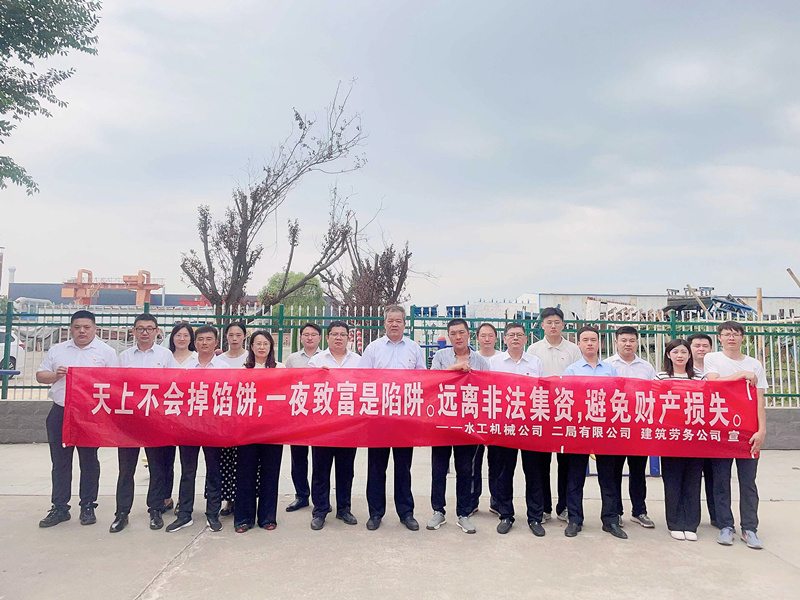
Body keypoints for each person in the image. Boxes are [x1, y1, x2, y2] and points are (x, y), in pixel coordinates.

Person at [36, 310, 118, 528]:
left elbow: (115, 382)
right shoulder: (58, 350)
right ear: (71, 329)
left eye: (87, 327)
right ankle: (60, 507)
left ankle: (88, 505)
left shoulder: (106, 352)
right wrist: (56, 375)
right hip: (61, 412)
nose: (82, 331)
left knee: (89, 461)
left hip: (90, 415)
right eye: (77, 327)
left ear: (95, 329)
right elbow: (40, 375)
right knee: (60, 462)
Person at [358, 305, 426, 531]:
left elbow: (423, 379)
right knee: (376, 467)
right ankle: (375, 513)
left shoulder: (414, 348)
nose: (394, 324)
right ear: (384, 323)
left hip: (405, 417)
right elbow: (362, 379)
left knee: (403, 467)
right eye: (390, 320)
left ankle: (406, 513)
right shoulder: (373, 348)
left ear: (405, 324)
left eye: (398, 320)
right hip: (378, 417)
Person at [111, 313, 179, 533]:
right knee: (126, 469)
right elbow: (115, 385)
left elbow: (173, 384)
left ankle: (155, 510)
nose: (145, 332)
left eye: (149, 328)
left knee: (157, 468)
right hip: (130, 420)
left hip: (155, 420)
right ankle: (122, 512)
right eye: (140, 328)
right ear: (133, 331)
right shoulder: (124, 357)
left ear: (157, 331)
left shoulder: (165, 355)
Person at [705, 321, 768, 550]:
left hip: (748, 432)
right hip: (721, 430)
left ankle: (749, 528)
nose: (731, 337)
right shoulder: (713, 358)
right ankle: (725, 525)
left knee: (748, 482)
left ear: (743, 338)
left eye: (736, 334)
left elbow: (760, 399)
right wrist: (741, 374)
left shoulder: (755, 364)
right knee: (721, 481)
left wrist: (761, 430)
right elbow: (713, 382)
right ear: (720, 338)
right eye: (727, 334)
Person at [427, 319, 489, 534]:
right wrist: (454, 369)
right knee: (438, 469)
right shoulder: (440, 356)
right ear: (449, 336)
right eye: (453, 333)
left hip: (468, 423)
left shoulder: (480, 360)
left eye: (461, 332)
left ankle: (464, 513)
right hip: (442, 422)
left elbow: (487, 388)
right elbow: (432, 382)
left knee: (465, 470)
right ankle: (438, 511)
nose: (458, 337)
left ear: (469, 334)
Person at [166, 325, 228, 533]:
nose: (204, 343)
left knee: (214, 471)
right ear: (195, 342)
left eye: (209, 339)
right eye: (200, 339)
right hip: (189, 426)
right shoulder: (186, 367)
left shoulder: (224, 368)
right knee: (187, 471)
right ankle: (184, 514)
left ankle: (213, 513)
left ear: (216, 342)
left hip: (214, 427)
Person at [488, 322, 546, 536]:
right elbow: (488, 391)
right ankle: (506, 515)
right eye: (511, 335)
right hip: (504, 426)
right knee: (504, 473)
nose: (515, 338)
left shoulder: (535, 362)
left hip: (530, 426)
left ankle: (535, 517)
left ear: (525, 339)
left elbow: (542, 391)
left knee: (534, 473)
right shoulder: (494, 362)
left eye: (519, 335)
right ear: (504, 339)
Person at [562, 325, 618, 538]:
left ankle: (610, 520)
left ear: (599, 343)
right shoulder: (572, 370)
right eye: (585, 340)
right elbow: (567, 399)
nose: (589, 343)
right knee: (575, 477)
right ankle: (575, 520)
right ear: (578, 344)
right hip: (579, 430)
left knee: (608, 477)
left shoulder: (609, 369)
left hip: (605, 430)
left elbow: (617, 398)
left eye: (593, 340)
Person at [527, 307, 581, 523]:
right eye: (549, 322)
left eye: (557, 322)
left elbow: (578, 379)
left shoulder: (573, 350)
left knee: (566, 462)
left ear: (563, 325)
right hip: (541, 411)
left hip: (566, 411)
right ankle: (544, 507)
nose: (553, 326)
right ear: (542, 325)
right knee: (541, 463)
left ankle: (564, 507)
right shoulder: (534, 349)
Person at [306, 320, 361, 530]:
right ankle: (320, 511)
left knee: (346, 470)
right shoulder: (316, 361)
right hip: (323, 424)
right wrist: (317, 376)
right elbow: (307, 389)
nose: (339, 338)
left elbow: (366, 387)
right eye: (335, 334)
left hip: (349, 424)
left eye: (343, 334)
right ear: (327, 337)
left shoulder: (358, 361)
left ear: (348, 338)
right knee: (320, 469)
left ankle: (344, 509)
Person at [603, 326, 657, 529]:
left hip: (638, 427)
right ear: (616, 342)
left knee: (638, 471)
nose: (628, 344)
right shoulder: (607, 365)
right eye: (624, 340)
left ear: (637, 342)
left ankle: (639, 511)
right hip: (615, 426)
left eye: (632, 340)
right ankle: (615, 512)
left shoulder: (646, 367)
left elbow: (654, 395)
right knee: (614, 471)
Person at [234, 330, 286, 532]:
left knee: (270, 473)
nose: (262, 347)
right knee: (245, 472)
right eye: (258, 343)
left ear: (271, 347)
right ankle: (243, 518)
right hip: (247, 429)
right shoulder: (243, 369)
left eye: (266, 343)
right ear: (252, 347)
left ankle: (267, 517)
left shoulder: (280, 368)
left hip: (273, 430)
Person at [656, 339, 704, 541]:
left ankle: (691, 524)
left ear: (689, 355)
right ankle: (675, 523)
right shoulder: (660, 377)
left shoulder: (700, 377)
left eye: (684, 352)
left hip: (695, 438)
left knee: (693, 481)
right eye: (675, 352)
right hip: (670, 438)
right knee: (672, 480)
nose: (680, 355)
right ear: (668, 355)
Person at [284, 322, 323, 513]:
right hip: (298, 414)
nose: (309, 338)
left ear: (320, 338)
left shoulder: (326, 357)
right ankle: (301, 495)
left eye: (313, 334)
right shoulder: (292, 359)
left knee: (319, 459)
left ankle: (320, 498)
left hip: (321, 414)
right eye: (306, 334)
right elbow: (285, 384)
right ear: (300, 338)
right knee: (298, 458)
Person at [217, 321, 248, 516]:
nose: (234, 338)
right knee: (226, 461)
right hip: (225, 418)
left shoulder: (251, 358)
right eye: (231, 335)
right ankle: (228, 500)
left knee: (244, 461)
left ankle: (243, 499)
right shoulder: (219, 360)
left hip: (246, 418)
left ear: (245, 336)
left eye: (238, 335)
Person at [687, 332, 716, 525]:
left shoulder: (718, 368)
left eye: (705, 346)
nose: (701, 349)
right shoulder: (684, 370)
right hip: (690, 433)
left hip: (714, 430)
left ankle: (717, 517)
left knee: (715, 477)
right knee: (692, 478)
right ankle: (692, 518)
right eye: (697, 345)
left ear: (711, 348)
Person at [474, 323, 499, 514]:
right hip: (475, 416)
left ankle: (496, 502)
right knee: (474, 461)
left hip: (497, 416)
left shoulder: (502, 359)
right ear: (477, 338)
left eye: (491, 335)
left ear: (497, 338)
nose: (487, 339)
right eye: (483, 335)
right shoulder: (473, 358)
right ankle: (472, 502)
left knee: (496, 462)